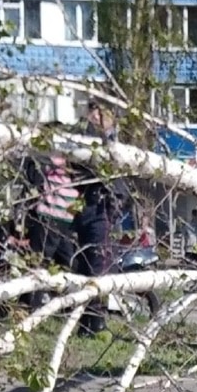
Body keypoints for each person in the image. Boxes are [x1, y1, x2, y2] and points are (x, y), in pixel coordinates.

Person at [72, 98, 130, 335]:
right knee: (89, 264)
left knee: (99, 263)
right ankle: (88, 320)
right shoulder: (85, 137)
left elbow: (118, 177)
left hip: (102, 207)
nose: (96, 118)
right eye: (93, 113)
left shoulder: (113, 140)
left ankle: (95, 320)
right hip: (87, 206)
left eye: (100, 113)